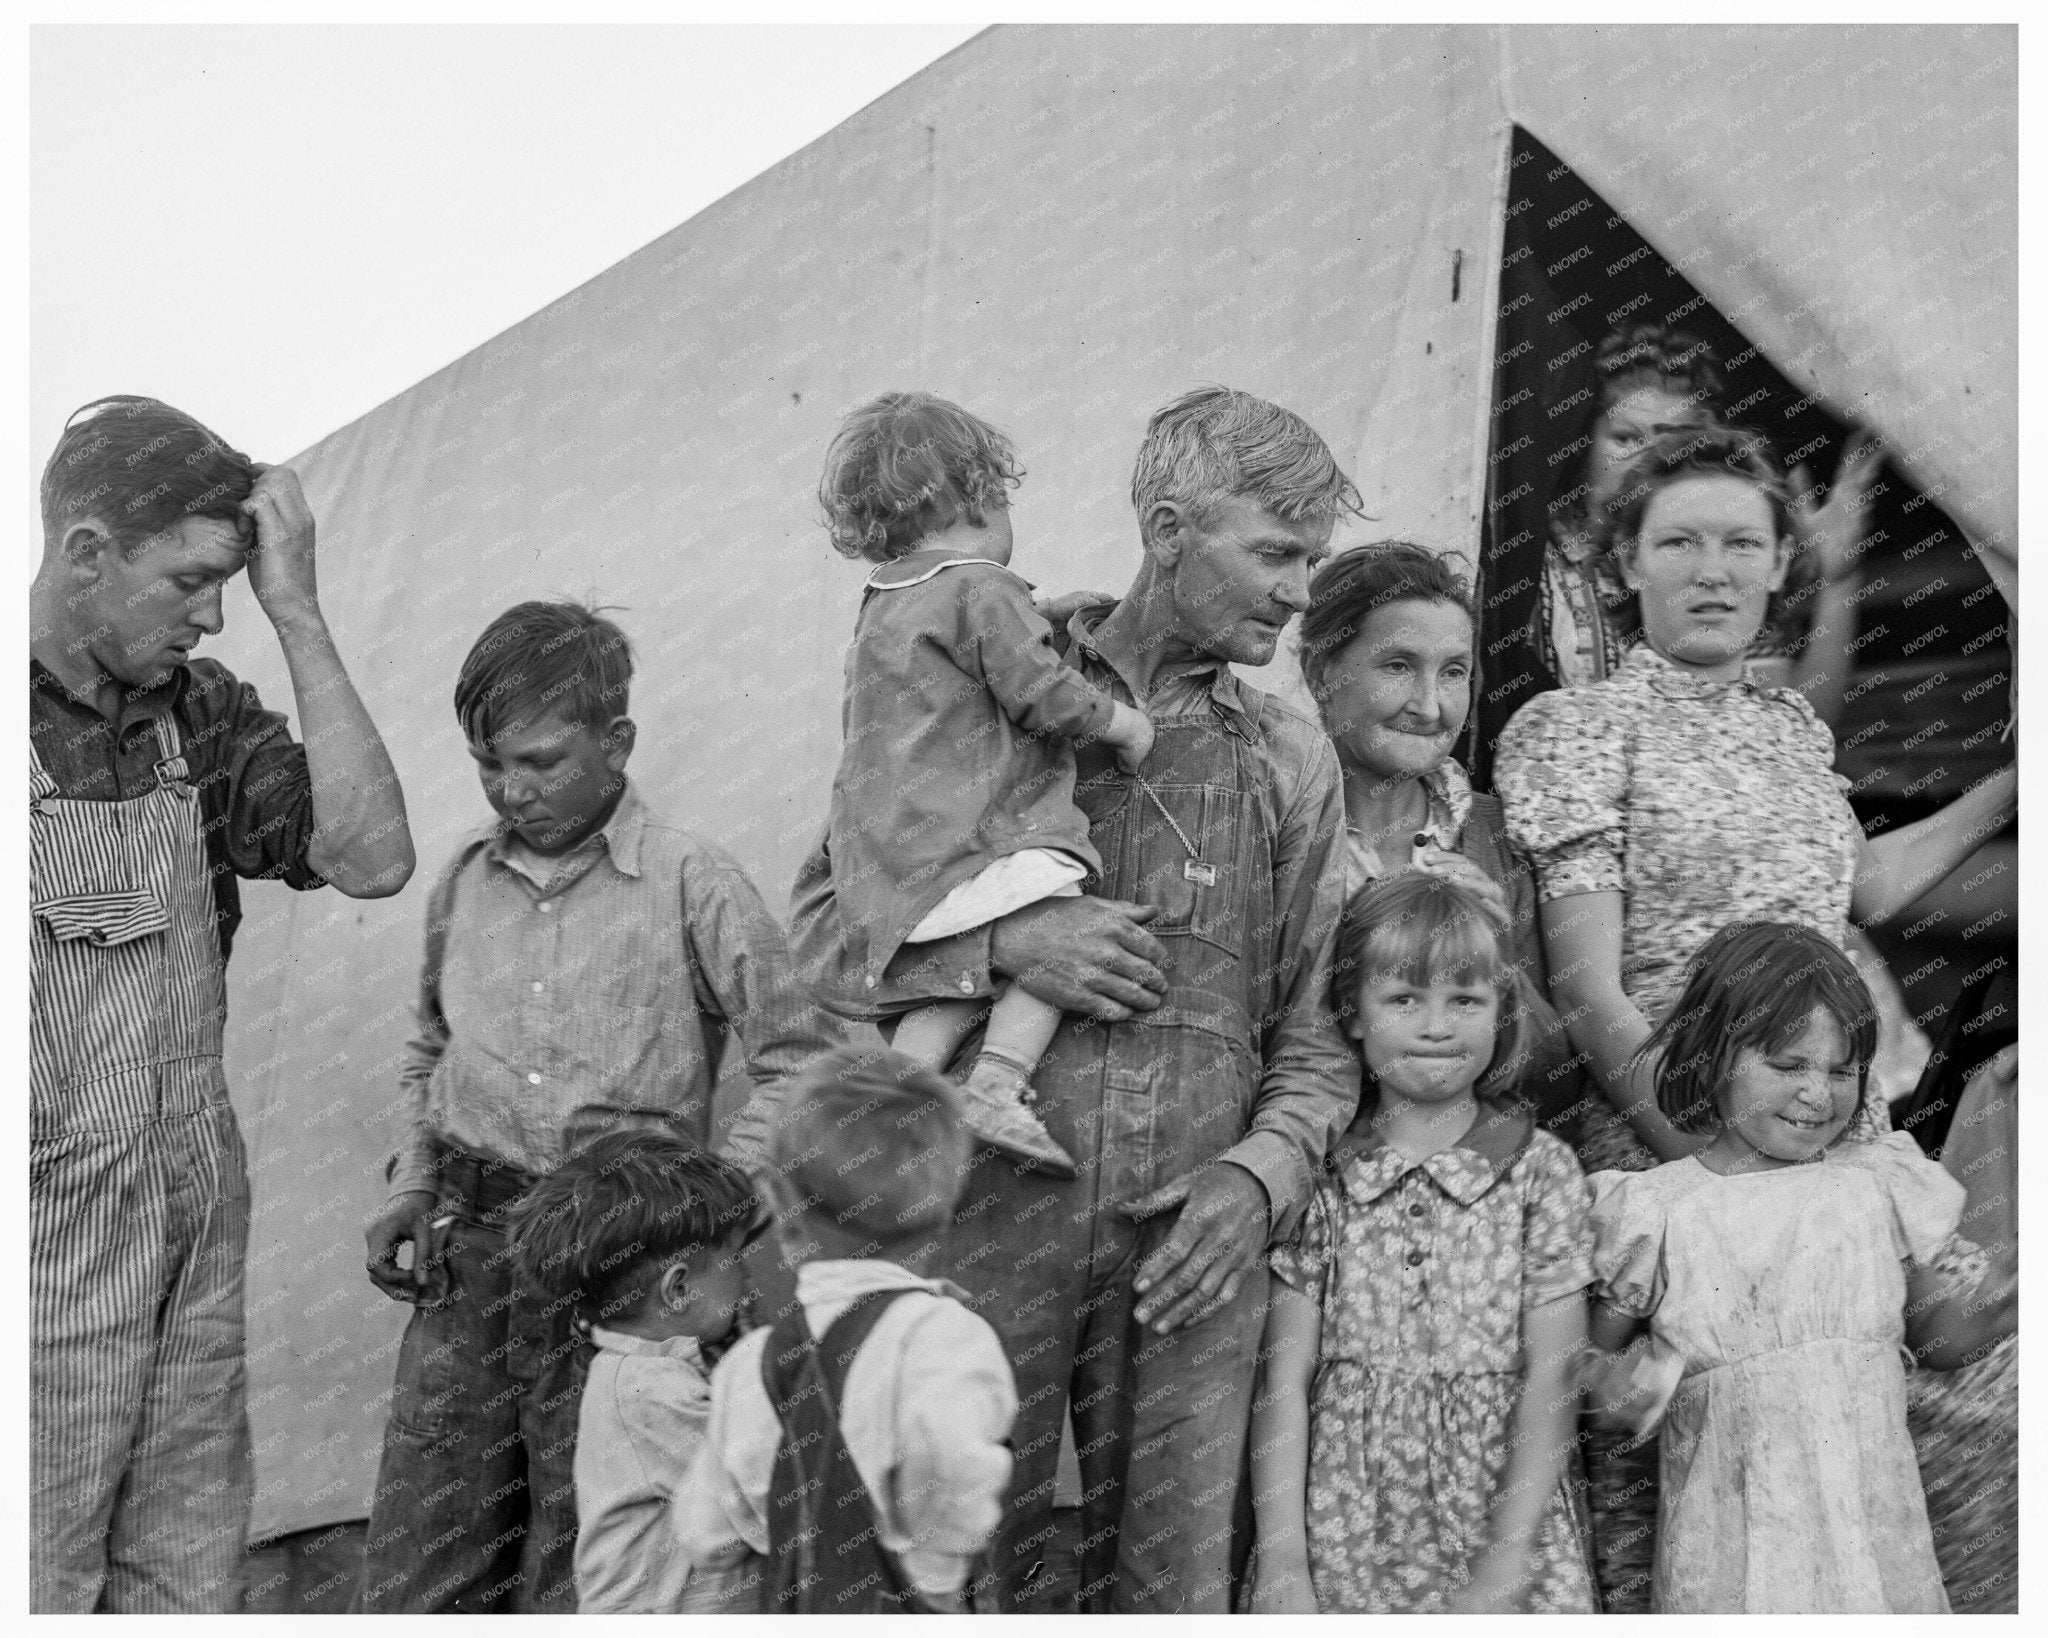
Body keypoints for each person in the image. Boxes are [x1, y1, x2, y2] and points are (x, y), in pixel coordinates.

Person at [790, 386, 1364, 1611]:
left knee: (1167, 1594)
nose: (1300, 592)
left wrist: (1254, 1179)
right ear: (1167, 529)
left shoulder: (1286, 755)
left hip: (1189, 1245)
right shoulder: (987, 660)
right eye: (1274, 553)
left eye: (1311, 561)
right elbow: (823, 935)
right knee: (939, 1571)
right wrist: (1004, 949)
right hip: (976, 1215)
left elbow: (1320, 1025)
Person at [1495, 425, 2017, 1608]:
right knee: (1714, 1493)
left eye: (1741, 541)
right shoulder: (1578, 731)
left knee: (1960, 1419)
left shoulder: (1787, 734)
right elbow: (1588, 990)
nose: (1712, 567)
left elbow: (1863, 888)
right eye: (1677, 540)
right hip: (1678, 1172)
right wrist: (1725, 1182)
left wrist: (2010, 777)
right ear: (1623, 562)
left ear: (1783, 564)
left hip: (1835, 1154)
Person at [359, 600, 839, 1613]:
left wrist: (704, 1205)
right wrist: (414, 1176)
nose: (509, 788)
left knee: (589, 1563)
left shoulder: (691, 880)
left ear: (616, 742)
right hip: (470, 1259)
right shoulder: (462, 880)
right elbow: (428, 1046)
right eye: (488, 763)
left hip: (618, 1287)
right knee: (427, 1554)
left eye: (539, 761)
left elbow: (797, 1058)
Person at [28, 397, 415, 1612]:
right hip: (34, 1250)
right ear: (88, 552)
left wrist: (298, 610)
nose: (210, 614)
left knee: (184, 1578)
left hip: (190, 1211)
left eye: (231, 588)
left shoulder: (200, 717)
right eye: (189, 580)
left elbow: (371, 856)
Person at [1582, 923, 2015, 1612]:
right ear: (1713, 1058)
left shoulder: (1875, 1184)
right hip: (1728, 1548)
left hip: (1876, 1538)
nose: (1820, 1093)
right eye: (1789, 1065)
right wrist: (1618, 1388)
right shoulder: (1657, 1213)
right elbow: (1587, 1370)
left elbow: (1937, 1338)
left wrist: (2004, 1302)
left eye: (1843, 1070)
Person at [816, 391, 1154, 1177]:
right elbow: (1042, 693)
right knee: (1057, 920)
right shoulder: (981, 587)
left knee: (963, 971)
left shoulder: (883, 601)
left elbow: (961, 650)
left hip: (898, 857)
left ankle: (901, 1092)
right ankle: (1000, 1083)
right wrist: (1123, 725)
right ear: (980, 495)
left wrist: (1033, 612)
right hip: (972, 835)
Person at [1249, 874, 1597, 1614]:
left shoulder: (1542, 1173)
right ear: (1351, 1014)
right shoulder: (1327, 1179)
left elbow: (1553, 1376)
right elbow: (1284, 1383)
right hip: (1346, 1527)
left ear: (1502, 1010)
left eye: (1465, 1000)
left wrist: (1507, 1561)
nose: (1437, 1026)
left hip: (1499, 1520)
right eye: (1403, 999)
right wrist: (1282, 1559)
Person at [678, 1046, 1018, 1612]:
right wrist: (935, 1579)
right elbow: (958, 1471)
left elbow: (703, 1535)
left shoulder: (749, 1362)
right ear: (942, 1214)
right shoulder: (948, 1339)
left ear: (783, 1212)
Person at [1296, 541, 1589, 1141]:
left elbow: (1557, 1084)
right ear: (1321, 673)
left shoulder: (1496, 836)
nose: (1430, 706)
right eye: (1398, 666)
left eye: (1453, 671)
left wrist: (1496, 950)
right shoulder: (1274, 827)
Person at [1530, 321, 1881, 726]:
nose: (1643, 461)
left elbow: (1795, 733)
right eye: (1626, 438)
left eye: (1670, 441)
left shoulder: (1718, 563)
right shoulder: (1534, 560)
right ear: (1584, 444)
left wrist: (1836, 584)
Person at [501, 1129, 764, 1613]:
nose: (746, 1274)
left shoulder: (634, 1367)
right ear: (678, 1289)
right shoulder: (653, 1393)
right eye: (734, 1258)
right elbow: (767, 1500)